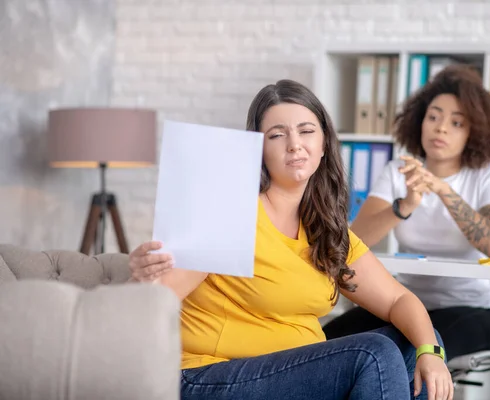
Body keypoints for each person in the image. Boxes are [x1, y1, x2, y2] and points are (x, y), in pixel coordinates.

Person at [128, 79, 454, 400]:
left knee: (420, 343)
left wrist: (431, 352)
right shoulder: (228, 211)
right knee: (373, 353)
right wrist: (146, 277)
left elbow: (399, 300)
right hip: (208, 376)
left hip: (294, 373)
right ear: (257, 149)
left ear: (324, 144)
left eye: (306, 131)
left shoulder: (326, 229)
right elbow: (152, 304)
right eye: (277, 135)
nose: (294, 144)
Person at [323, 64, 490, 363]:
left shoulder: (488, 176)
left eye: (456, 123)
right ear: (419, 121)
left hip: (470, 310)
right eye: (433, 117)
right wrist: (403, 207)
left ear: (474, 131)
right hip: (407, 305)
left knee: (412, 357)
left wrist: (443, 190)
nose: (441, 128)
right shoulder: (399, 171)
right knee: (325, 343)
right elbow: (354, 241)